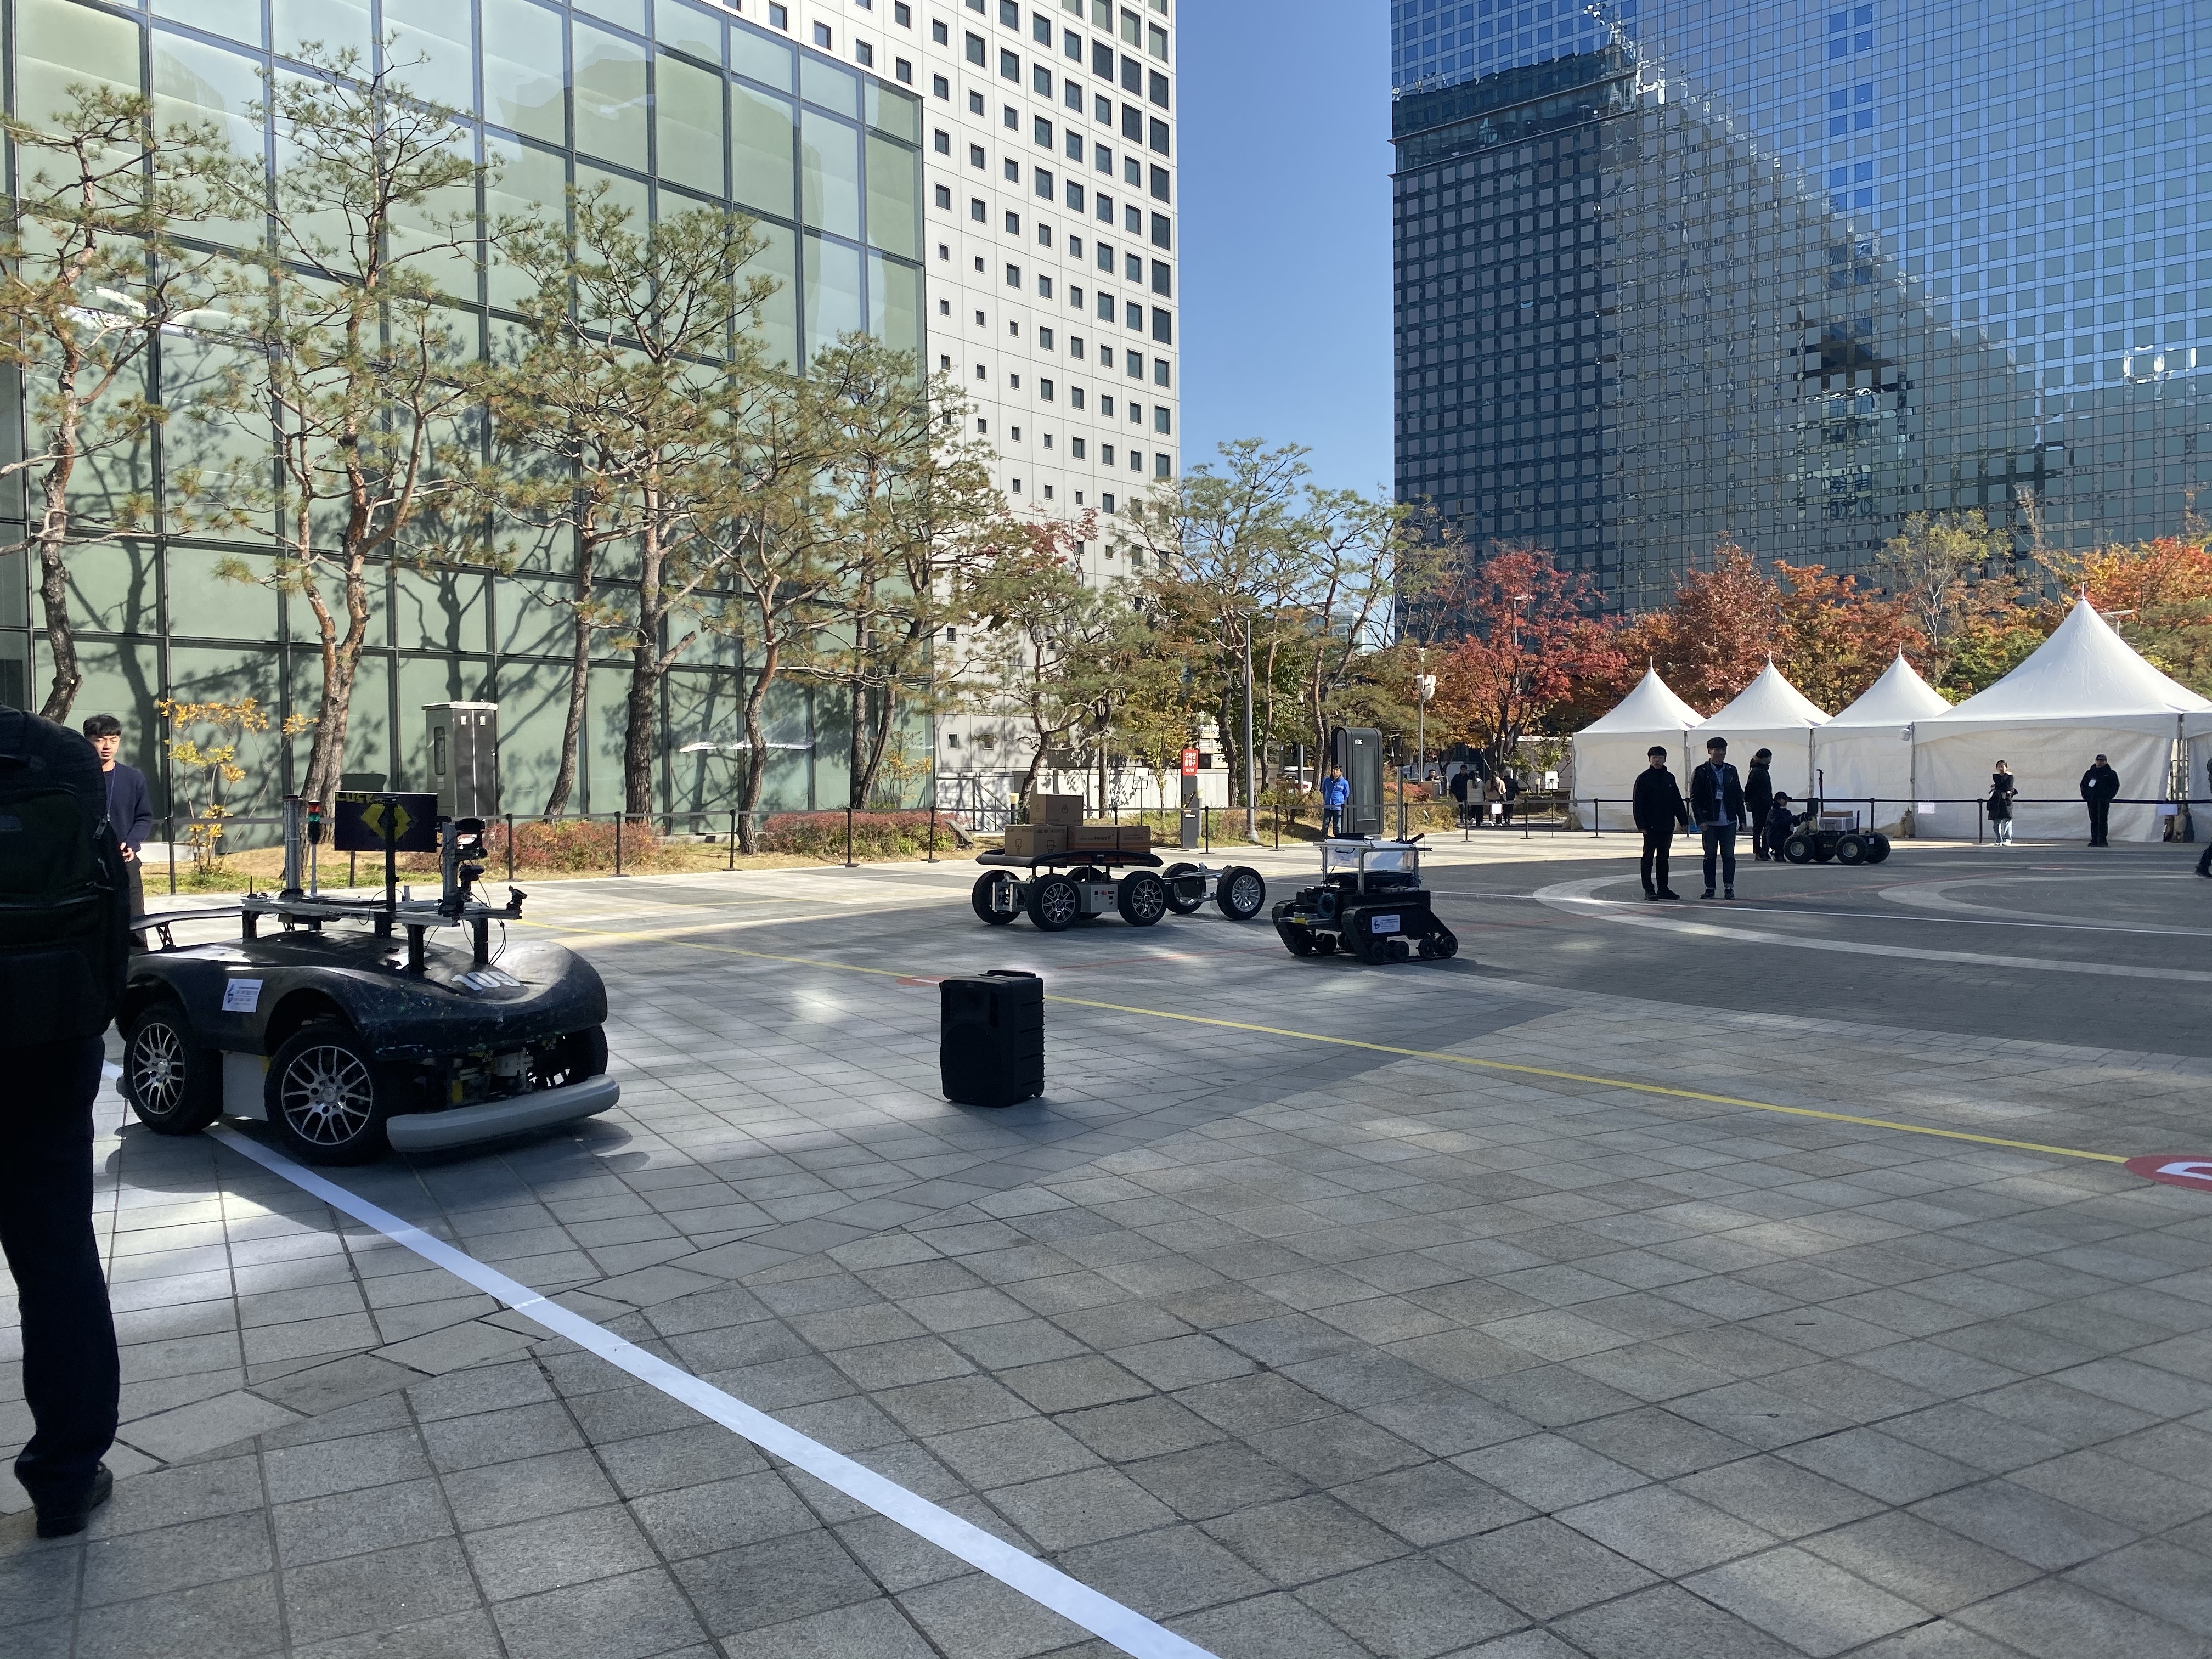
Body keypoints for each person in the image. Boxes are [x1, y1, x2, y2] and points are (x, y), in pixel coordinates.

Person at [0, 701, 128, 1537]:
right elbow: (108, 898)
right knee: (57, 1259)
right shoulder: (55, 755)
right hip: (48, 1033)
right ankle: (65, 1480)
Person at [83, 713, 151, 941]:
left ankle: (137, 962)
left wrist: (132, 843)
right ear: (88, 741)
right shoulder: (77, 778)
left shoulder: (133, 778)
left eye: (113, 740)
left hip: (125, 863)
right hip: (88, 864)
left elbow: (144, 818)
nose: (107, 746)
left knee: (134, 925)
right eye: (100, 740)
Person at [1690, 735, 1746, 899]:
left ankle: (1729, 887)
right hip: (1710, 821)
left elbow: (1738, 795)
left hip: (1729, 820)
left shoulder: (1731, 770)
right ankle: (1710, 888)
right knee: (1710, 856)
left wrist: (1742, 819)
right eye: (1717, 750)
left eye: (1723, 750)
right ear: (1709, 751)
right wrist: (1700, 820)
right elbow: (1695, 798)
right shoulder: (1701, 771)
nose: (1721, 753)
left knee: (1729, 856)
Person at [1631, 745, 1689, 900]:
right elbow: (1638, 803)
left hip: (1667, 824)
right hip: (1650, 825)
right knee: (1648, 857)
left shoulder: (1669, 778)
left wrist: (1683, 820)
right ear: (1649, 760)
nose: (1657, 761)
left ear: (1665, 759)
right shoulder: (1643, 778)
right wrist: (1641, 824)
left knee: (1664, 858)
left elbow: (1677, 800)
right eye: (1654, 758)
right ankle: (1649, 889)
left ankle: (1663, 888)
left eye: (1660, 758)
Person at [2080, 753, 2119, 847]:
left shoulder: (2110, 773)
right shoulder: (2090, 773)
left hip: (2103, 801)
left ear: (2105, 762)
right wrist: (2087, 797)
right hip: (2092, 800)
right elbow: (2083, 785)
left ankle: (2102, 841)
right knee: (2094, 820)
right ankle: (2094, 840)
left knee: (2103, 820)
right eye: (2097, 760)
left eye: (2101, 761)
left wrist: (2108, 797)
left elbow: (2115, 786)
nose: (2099, 762)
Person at [1743, 748, 1776, 861]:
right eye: (1769, 757)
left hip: (1762, 803)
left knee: (1763, 828)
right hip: (1760, 804)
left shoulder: (1759, 770)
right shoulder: (1758, 771)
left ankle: (1762, 851)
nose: (1770, 760)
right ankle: (1760, 852)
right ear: (1764, 758)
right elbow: (1750, 788)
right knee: (1761, 829)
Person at [1988, 760, 2017, 845]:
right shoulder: (1996, 776)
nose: (2001, 768)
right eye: (1999, 766)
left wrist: (2007, 775)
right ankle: (1999, 840)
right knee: (1996, 821)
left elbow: (2008, 787)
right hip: (1997, 801)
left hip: (2006, 801)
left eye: (2003, 766)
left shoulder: (2010, 777)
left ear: (2006, 767)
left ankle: (2007, 840)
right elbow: (1999, 783)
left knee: (2007, 820)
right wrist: (1998, 787)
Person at [1765, 791, 1800, 856]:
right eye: (1784, 800)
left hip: (1784, 837)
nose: (1787, 801)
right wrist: (1792, 819)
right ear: (1779, 800)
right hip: (1776, 838)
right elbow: (1779, 824)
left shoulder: (1787, 812)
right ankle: (1777, 853)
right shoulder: (1773, 812)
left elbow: (1791, 823)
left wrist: (1799, 819)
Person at [1320, 765, 1349, 837]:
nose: (1335, 771)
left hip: (1338, 807)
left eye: (1337, 770)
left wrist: (1340, 801)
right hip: (1328, 807)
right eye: (1334, 770)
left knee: (1337, 825)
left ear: (1341, 772)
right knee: (1325, 824)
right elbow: (1323, 790)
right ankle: (1324, 838)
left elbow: (1346, 794)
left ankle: (1337, 838)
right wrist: (1326, 799)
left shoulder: (1345, 783)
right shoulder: (1327, 781)